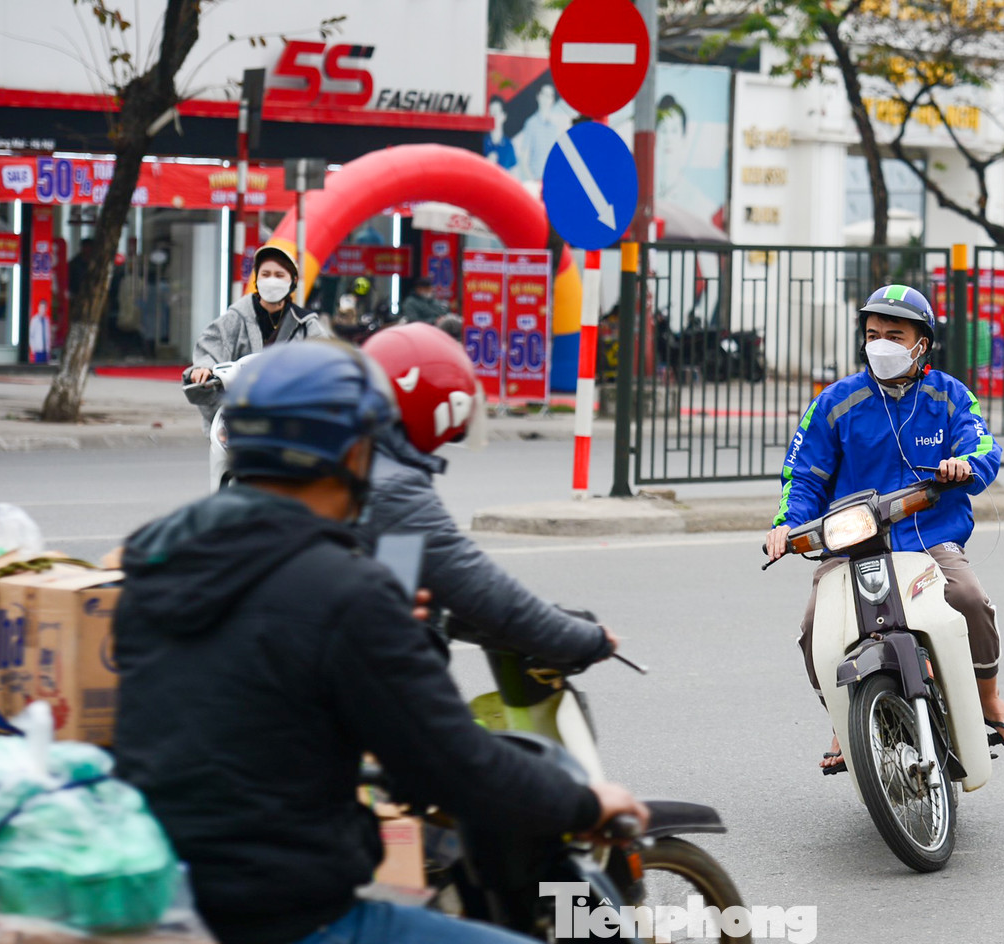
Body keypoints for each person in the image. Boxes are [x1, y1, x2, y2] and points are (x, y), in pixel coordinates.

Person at [112, 340, 647, 944]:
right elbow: (456, 767)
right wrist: (585, 804)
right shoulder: (347, 590)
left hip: (162, 899)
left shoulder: (157, 560)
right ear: (350, 452)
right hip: (287, 918)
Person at [764, 283, 1004, 770]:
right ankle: (843, 722)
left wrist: (964, 466)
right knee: (813, 629)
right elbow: (803, 474)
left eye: (893, 334)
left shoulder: (949, 396)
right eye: (872, 333)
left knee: (970, 598)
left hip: (931, 540)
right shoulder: (836, 402)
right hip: (851, 547)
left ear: (920, 344)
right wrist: (787, 524)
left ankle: (989, 698)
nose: (880, 343)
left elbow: (983, 448)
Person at [358, 323, 617, 665]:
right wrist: (589, 640)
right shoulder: (395, 491)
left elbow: (405, 586)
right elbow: (485, 592)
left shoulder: (355, 462)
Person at [184, 243, 329, 430]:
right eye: (266, 274)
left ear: (292, 281)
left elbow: (326, 357)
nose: (272, 281)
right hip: (240, 417)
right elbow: (211, 348)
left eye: (279, 275)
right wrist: (203, 369)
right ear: (256, 279)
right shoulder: (235, 318)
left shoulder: (306, 324)